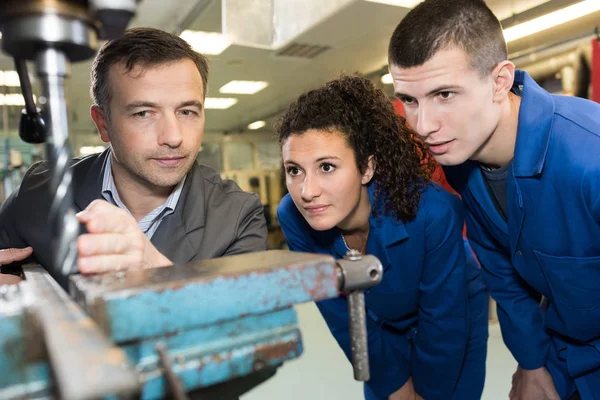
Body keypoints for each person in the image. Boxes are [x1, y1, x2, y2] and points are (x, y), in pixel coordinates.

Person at [387, 1, 600, 399]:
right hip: (561, 345)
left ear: (500, 81)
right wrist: (533, 361)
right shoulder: (462, 161)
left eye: (445, 94)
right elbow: (503, 271)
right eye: (410, 100)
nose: (422, 125)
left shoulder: (591, 158)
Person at [0, 27, 267, 289]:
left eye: (187, 112)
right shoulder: (37, 193)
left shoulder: (238, 216)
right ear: (103, 124)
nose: (173, 137)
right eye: (143, 113)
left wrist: (154, 269)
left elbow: (252, 323)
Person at [276, 75, 488, 400]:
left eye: (327, 167)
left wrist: (426, 392)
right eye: (294, 170)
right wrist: (393, 384)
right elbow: (342, 316)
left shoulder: (433, 212)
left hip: (451, 310)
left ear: (366, 168)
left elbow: (443, 321)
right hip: (376, 321)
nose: (307, 191)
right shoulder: (292, 215)